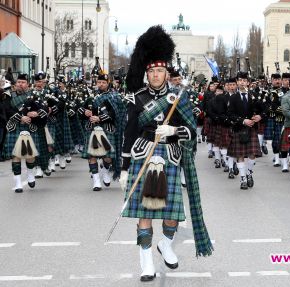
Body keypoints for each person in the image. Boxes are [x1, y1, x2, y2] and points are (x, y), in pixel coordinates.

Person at [120, 25, 212, 282]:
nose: (156, 75)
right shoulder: (135, 99)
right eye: (152, 71)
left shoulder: (178, 97)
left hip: (170, 156)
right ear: (146, 73)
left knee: (172, 215)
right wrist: (124, 169)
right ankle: (146, 263)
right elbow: (128, 135)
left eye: (160, 70)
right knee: (144, 214)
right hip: (143, 156)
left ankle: (167, 245)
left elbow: (193, 132)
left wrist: (174, 130)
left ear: (166, 72)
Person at [79, 73, 126, 191]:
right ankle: (96, 181)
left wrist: (100, 118)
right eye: (99, 82)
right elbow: (79, 108)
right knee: (92, 155)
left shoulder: (114, 96)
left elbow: (115, 114)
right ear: (96, 83)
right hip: (92, 128)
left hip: (107, 128)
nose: (101, 84)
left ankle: (105, 171)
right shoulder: (90, 95)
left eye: (103, 83)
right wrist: (84, 112)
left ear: (108, 83)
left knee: (108, 157)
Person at [2, 73, 48, 192]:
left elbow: (44, 108)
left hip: (30, 126)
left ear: (27, 84)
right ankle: (17, 182)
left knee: (30, 154)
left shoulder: (34, 95)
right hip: (15, 126)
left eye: (22, 83)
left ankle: (30, 175)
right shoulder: (8, 95)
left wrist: (36, 113)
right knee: (15, 155)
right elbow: (7, 109)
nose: (20, 85)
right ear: (15, 84)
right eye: (18, 82)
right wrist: (21, 117)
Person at [227, 72, 263, 189]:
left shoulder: (254, 96)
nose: (242, 82)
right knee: (240, 154)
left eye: (244, 80)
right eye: (240, 80)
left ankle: (249, 173)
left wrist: (260, 116)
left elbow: (265, 108)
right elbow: (230, 114)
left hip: (252, 128)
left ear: (248, 83)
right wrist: (243, 121)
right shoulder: (233, 98)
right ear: (237, 82)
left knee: (252, 155)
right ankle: (242, 178)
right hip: (239, 128)